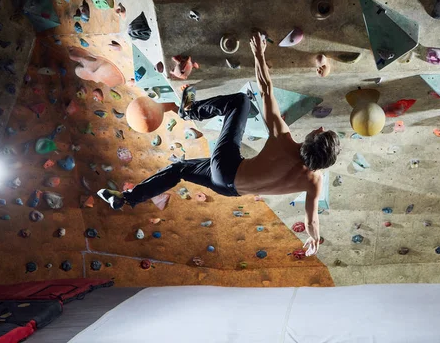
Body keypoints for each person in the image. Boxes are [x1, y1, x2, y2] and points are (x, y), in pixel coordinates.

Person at [98, 32, 341, 256]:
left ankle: (190, 111)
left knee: (240, 102)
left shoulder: (282, 139)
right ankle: (128, 198)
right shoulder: (313, 182)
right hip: (228, 189)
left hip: (227, 166)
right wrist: (313, 240)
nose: (318, 128)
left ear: (312, 138)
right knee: (178, 170)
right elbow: (311, 221)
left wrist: (258, 52)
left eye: (320, 131)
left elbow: (266, 90)